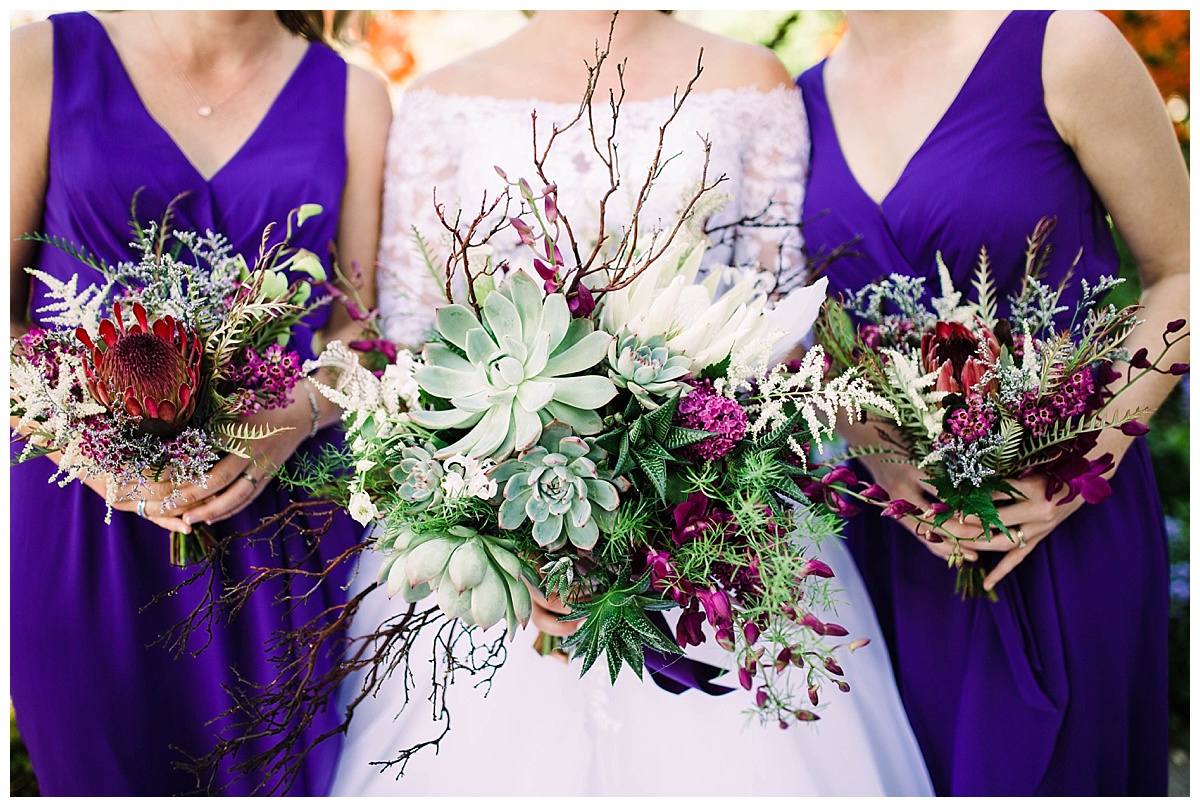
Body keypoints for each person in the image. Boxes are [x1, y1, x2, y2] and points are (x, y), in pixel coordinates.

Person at [330, 11, 933, 796]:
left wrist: (686, 489)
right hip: (499, 535)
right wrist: (498, 529)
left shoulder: (752, 82)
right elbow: (411, 340)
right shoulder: (442, 99)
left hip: (711, 529)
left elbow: (780, 329)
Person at [796, 10, 1189, 796]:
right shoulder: (795, 105)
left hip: (1066, 519)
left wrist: (1077, 463)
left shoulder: (1062, 46)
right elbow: (803, 329)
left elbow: (1184, 269)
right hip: (896, 541)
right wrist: (873, 442)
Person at [9, 11, 391, 796]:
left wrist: (296, 412)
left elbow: (363, 335)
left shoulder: (356, 95)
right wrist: (86, 445)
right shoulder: (44, 57)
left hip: (286, 525)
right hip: (84, 522)